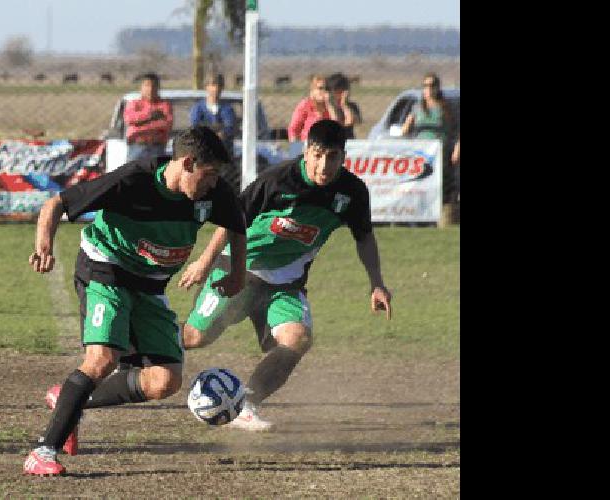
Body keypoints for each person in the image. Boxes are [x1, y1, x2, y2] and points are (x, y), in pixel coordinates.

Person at [23, 126, 250, 476]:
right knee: (102, 359)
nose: (212, 184)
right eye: (208, 174)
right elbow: (57, 204)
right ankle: (43, 451)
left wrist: (236, 274)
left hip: (151, 285)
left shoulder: (213, 193)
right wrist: (44, 244)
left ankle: (68, 399)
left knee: (165, 381)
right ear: (187, 163)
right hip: (105, 269)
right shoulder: (132, 181)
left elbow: (237, 224)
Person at [179, 119, 393, 432]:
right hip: (239, 270)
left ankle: (245, 405)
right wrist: (204, 261)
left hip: (285, 283)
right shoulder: (278, 180)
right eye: (318, 155)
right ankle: (133, 354)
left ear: (343, 157)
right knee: (196, 337)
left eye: (333, 156)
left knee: (297, 339)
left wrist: (377, 284)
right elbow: (232, 219)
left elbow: (364, 237)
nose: (324, 164)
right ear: (306, 152)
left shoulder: (352, 192)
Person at [401, 73, 458, 224]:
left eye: (432, 85)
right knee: (421, 184)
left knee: (441, 184)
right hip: (421, 154)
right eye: (425, 85)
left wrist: (456, 149)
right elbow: (405, 130)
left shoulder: (446, 108)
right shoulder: (417, 108)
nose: (429, 89)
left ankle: (442, 217)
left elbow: (456, 131)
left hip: (441, 153)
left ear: (438, 88)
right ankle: (420, 218)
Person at [122, 72, 174, 162]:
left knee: (156, 175)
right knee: (133, 174)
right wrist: (150, 116)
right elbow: (129, 119)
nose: (150, 89)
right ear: (141, 87)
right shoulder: (134, 104)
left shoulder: (164, 105)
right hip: (137, 147)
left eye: (154, 86)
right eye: (147, 85)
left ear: (158, 88)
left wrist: (140, 123)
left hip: (157, 147)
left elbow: (167, 124)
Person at [286, 74, 333, 143]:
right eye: (320, 88)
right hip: (309, 145)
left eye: (327, 88)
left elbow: (337, 127)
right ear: (313, 91)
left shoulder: (332, 107)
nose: (324, 91)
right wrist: (296, 150)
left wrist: (330, 105)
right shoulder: (305, 105)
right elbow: (294, 129)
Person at [326, 72, 361, 139]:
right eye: (338, 92)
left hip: (348, 139)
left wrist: (344, 105)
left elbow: (350, 123)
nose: (342, 95)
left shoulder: (352, 106)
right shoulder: (327, 107)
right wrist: (329, 105)